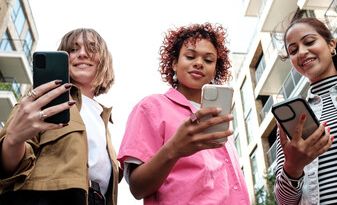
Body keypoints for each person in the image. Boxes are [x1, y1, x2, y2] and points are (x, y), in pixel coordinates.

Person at [118, 23, 250, 204]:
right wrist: (174, 149)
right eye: (190, 56)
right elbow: (137, 188)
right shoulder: (151, 107)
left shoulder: (219, 119)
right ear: (174, 63)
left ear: (215, 70)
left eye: (209, 60)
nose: (199, 63)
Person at [0, 28, 122, 205]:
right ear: (64, 58)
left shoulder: (103, 116)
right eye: (73, 49)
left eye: (91, 48)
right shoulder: (42, 96)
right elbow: (7, 167)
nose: (82, 54)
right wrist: (13, 140)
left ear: (103, 60)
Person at [274, 17, 337, 204]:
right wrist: (292, 167)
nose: (302, 52)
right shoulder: (291, 122)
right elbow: (284, 202)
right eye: (293, 50)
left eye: (309, 42)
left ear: (331, 45)